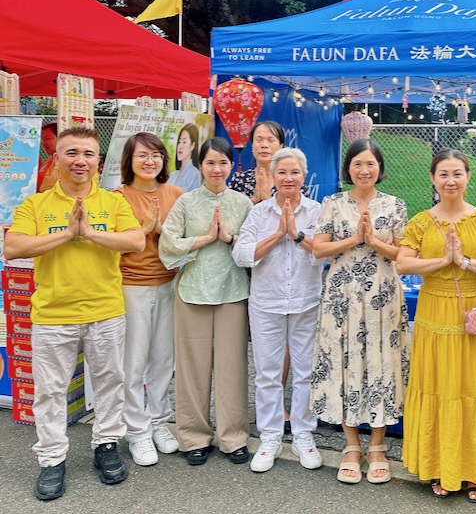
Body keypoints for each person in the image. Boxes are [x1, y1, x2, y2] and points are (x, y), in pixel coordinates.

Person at [4, 127, 145, 501]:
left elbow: (135, 240)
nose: (80, 160)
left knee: (110, 382)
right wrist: (66, 234)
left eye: (87, 153)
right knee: (50, 392)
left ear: (98, 161)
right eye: (71, 153)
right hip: (53, 315)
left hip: (105, 311)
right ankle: (51, 459)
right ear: (57, 159)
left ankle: (107, 445)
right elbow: (14, 247)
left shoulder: (113, 203)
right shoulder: (35, 205)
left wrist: (90, 233)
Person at [396, 149, 476, 504]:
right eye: (443, 174)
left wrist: (463, 260)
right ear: (433, 178)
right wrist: (443, 261)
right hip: (435, 312)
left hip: (474, 313)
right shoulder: (419, 222)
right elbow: (403, 264)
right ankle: (440, 466)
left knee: (475, 386)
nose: (450, 181)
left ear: (468, 177)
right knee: (441, 386)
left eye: (457, 174)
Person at [310, 138, 410, 485]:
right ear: (348, 169)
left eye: (370, 164)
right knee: (344, 360)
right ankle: (351, 445)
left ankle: (379, 445)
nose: (364, 170)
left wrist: (374, 241)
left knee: (381, 362)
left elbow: (404, 255)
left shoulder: (395, 205)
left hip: (383, 294)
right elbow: (318, 250)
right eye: (357, 164)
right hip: (343, 296)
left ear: (380, 168)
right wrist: (353, 240)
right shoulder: (333, 202)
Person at [159, 137, 252, 466]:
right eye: (210, 162)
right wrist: (205, 239)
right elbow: (168, 243)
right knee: (192, 369)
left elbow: (254, 247)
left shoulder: (242, 203)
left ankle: (233, 437)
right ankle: (193, 436)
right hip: (193, 292)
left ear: (231, 166)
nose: (217, 168)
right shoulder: (185, 202)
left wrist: (229, 238)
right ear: (200, 166)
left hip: (232, 292)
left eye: (223, 162)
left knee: (232, 368)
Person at [232, 147, 323, 473]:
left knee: (304, 372)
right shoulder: (259, 214)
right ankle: (270, 436)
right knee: (268, 373)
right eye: (281, 172)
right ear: (272, 176)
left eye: (294, 172)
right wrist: (277, 235)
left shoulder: (316, 211)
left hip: (305, 299)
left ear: (303, 176)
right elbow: (242, 254)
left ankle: (303, 434)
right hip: (266, 301)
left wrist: (296, 234)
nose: (288, 178)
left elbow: (325, 253)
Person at [113, 133, 184, 466]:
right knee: (133, 363)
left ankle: (158, 421)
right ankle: (136, 430)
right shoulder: (116, 197)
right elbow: (113, 244)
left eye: (156, 155)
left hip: (170, 284)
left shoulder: (177, 194)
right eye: (142, 155)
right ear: (129, 160)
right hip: (131, 286)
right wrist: (144, 230)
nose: (150, 161)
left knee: (163, 361)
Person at [229, 121, 285, 204]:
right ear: (252, 146)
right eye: (259, 140)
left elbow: (302, 214)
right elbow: (231, 214)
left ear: (281, 146)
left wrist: (267, 199)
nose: (264, 145)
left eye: (271, 140)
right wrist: (254, 199)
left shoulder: (289, 180)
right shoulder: (239, 180)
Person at [168, 123, 200, 192]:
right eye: (179, 142)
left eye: (184, 142)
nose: (180, 146)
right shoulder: (172, 175)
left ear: (192, 145)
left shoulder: (194, 175)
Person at [37, 122, 58, 192]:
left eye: (47, 138)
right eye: (43, 139)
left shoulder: (65, 162)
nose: (44, 142)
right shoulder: (47, 162)